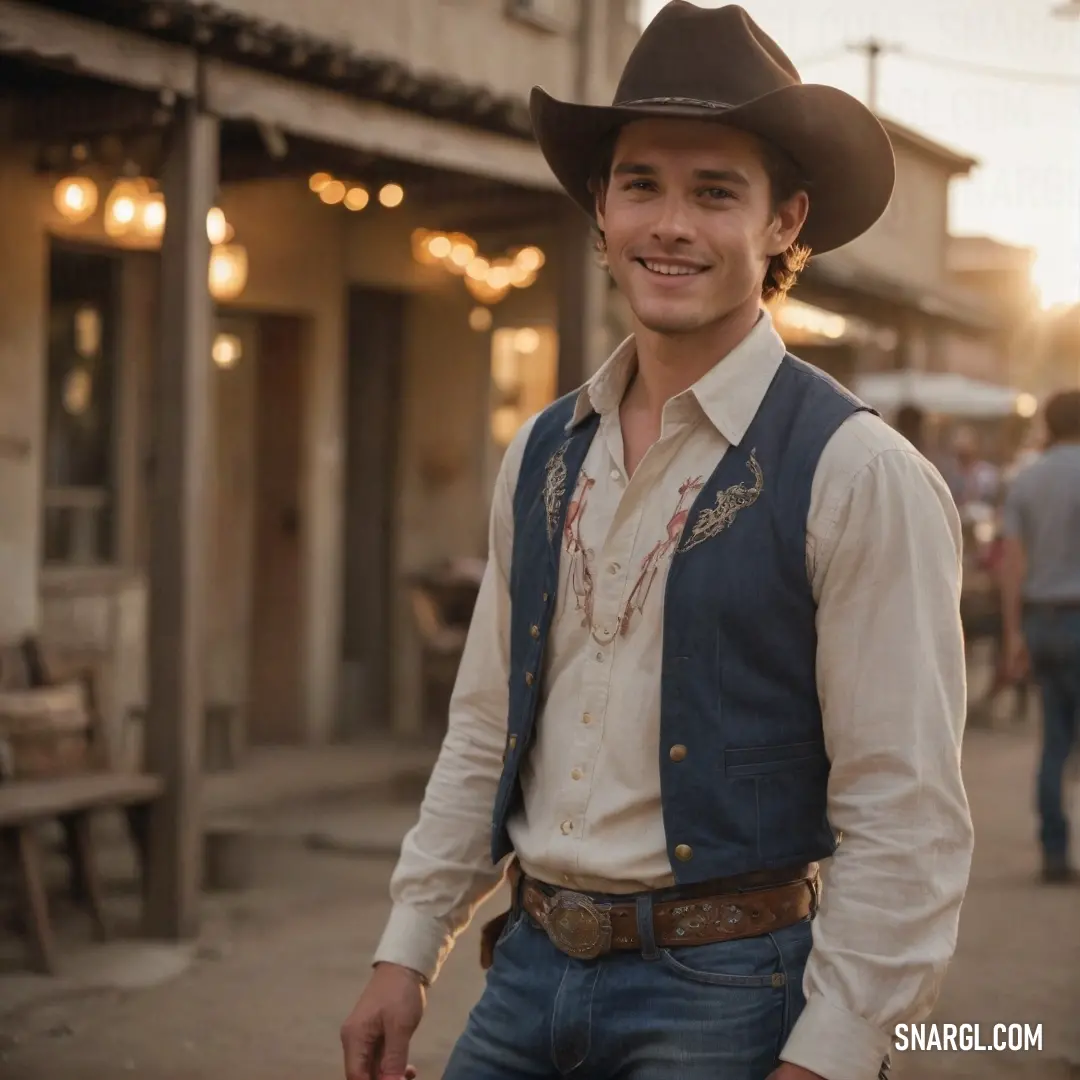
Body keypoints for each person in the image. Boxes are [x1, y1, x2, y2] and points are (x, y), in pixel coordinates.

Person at [340, 5, 973, 1079]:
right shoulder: (542, 450)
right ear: (601, 207)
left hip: (729, 997)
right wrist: (407, 948)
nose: (669, 223)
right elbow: (486, 724)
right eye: (641, 184)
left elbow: (902, 808)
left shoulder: (859, 474)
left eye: (715, 191)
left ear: (785, 222)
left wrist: (833, 1051)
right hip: (528, 970)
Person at [1000, 389, 1080, 884]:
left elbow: (1013, 562)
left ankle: (1054, 852)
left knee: (1053, 741)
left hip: (1044, 622)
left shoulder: (1025, 480)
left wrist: (1013, 634)